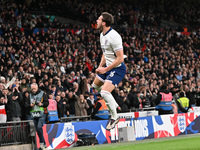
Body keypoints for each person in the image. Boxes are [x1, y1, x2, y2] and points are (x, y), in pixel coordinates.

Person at [92, 12, 126, 130]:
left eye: (99, 19)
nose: (96, 21)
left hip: (117, 68)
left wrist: (105, 69)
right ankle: (114, 104)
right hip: (107, 67)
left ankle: (115, 116)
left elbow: (120, 58)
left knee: (104, 93)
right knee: (95, 86)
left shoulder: (114, 37)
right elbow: (105, 53)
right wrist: (100, 67)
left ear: (104, 23)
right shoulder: (102, 35)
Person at [26, 83, 49, 149]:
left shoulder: (42, 93)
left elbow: (47, 103)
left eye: (34, 89)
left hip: (42, 113)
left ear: (37, 87)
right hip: (33, 114)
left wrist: (41, 104)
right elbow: (26, 104)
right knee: (37, 129)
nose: (33, 90)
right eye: (32, 89)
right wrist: (30, 105)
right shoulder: (30, 95)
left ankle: (42, 143)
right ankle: (43, 143)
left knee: (39, 127)